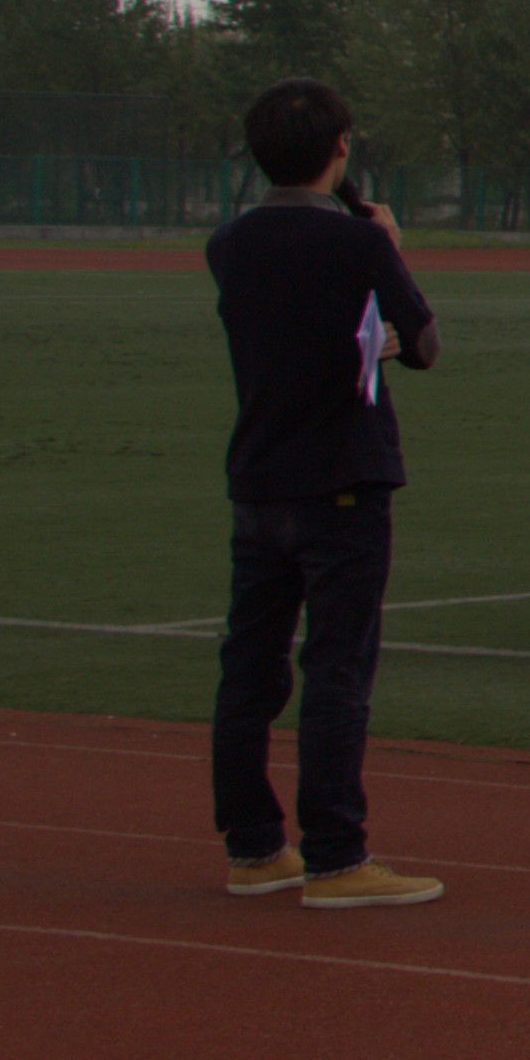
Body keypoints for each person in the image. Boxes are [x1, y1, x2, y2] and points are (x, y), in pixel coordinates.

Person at [201, 77, 444, 907]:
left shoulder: (228, 243)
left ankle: (253, 845)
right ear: (340, 148)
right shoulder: (357, 242)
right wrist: (386, 248)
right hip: (341, 475)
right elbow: (423, 343)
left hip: (258, 477)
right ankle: (337, 853)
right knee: (337, 666)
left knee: (249, 668)